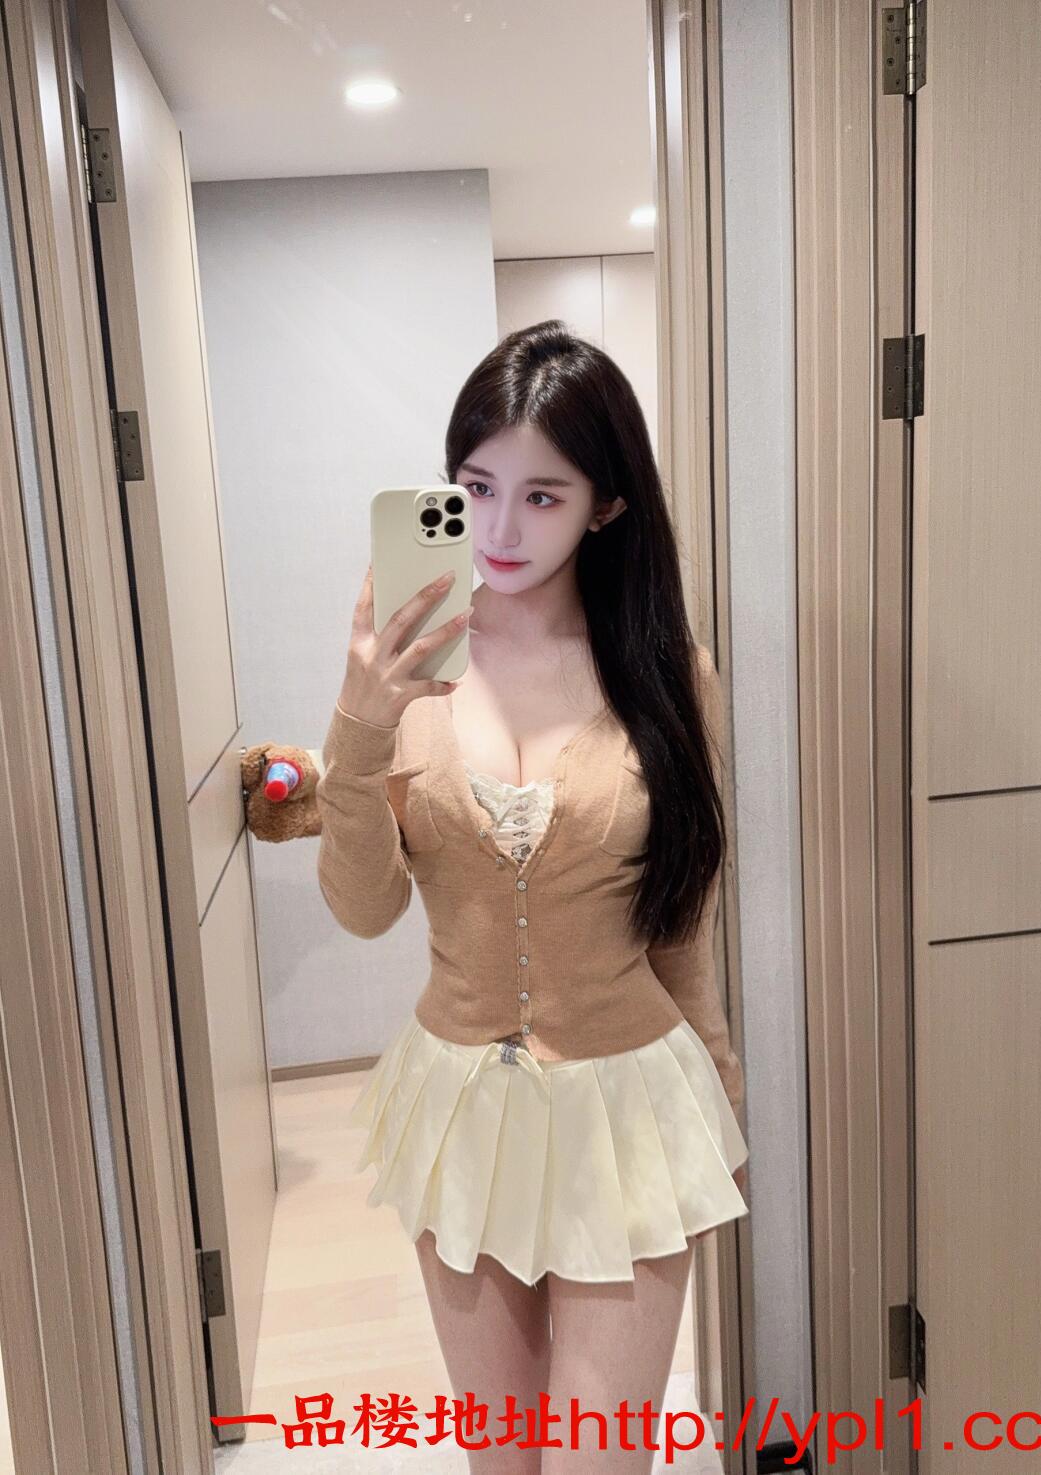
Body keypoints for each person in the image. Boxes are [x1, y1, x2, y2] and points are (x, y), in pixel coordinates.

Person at [316, 320, 749, 1472]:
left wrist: (720, 1090)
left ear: (607, 505)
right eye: (477, 487)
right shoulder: (404, 674)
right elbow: (363, 906)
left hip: (630, 1112)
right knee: (503, 1460)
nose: (501, 529)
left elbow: (683, 917)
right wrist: (359, 726)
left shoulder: (670, 675)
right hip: (460, 1108)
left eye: (542, 495)